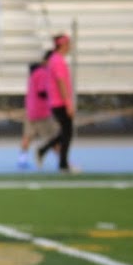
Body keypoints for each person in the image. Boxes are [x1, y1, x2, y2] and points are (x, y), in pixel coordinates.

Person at [37, 32, 77, 173]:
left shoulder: (54, 59)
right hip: (60, 102)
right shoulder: (58, 60)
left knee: (65, 132)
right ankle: (62, 164)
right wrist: (68, 103)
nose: (70, 46)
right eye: (68, 44)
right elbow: (61, 83)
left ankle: (44, 151)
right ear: (63, 45)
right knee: (67, 133)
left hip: (56, 102)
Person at [17, 55, 59, 170]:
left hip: (31, 110)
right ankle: (62, 159)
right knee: (52, 136)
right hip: (41, 111)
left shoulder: (33, 75)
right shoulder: (42, 73)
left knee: (27, 136)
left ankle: (22, 159)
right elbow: (42, 92)